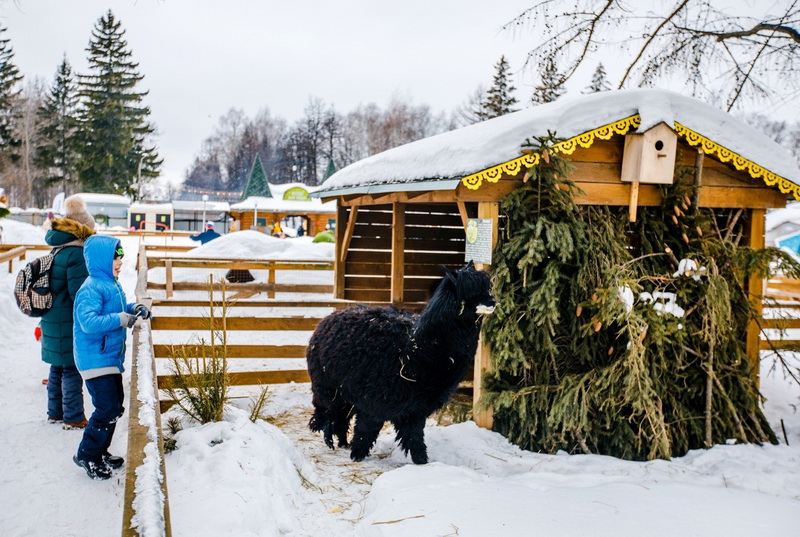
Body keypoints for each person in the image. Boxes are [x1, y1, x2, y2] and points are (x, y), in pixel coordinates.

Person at [72, 235, 151, 480]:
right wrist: (121, 319)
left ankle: (100, 450)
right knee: (107, 408)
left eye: (120, 257)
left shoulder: (110, 284)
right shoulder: (92, 287)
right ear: (101, 260)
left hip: (107, 358)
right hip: (95, 359)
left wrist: (132, 308)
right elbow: (88, 322)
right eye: (115, 258)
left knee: (114, 407)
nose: (120, 262)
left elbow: (114, 310)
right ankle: (88, 455)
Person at [41, 195, 96, 430]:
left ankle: (55, 412)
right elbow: (79, 294)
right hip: (67, 318)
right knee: (72, 367)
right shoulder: (76, 254)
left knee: (57, 366)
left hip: (53, 316)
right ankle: (73, 417)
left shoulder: (58, 249)